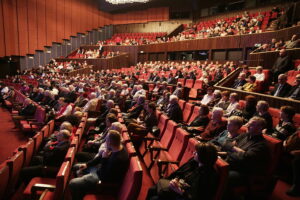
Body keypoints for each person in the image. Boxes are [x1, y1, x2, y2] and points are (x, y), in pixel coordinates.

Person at [68, 130, 129, 200]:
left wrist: (104, 159)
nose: (105, 141)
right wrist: (87, 164)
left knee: (73, 183)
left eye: (106, 139)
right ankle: (82, 188)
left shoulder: (118, 159)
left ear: (109, 142)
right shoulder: (116, 146)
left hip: (101, 177)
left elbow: (104, 176)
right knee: (76, 166)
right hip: (99, 169)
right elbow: (99, 158)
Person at [146, 143, 218, 200]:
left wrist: (180, 191)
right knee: (151, 189)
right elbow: (180, 173)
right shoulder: (194, 162)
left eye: (197, 153)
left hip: (184, 196)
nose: (194, 153)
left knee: (155, 198)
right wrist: (175, 180)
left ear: (203, 157)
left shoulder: (210, 175)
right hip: (178, 187)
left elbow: (199, 197)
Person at [223, 117, 270, 198]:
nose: (247, 126)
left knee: (222, 176)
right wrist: (239, 151)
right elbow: (226, 143)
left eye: (251, 125)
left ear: (260, 128)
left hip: (244, 172)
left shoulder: (262, 144)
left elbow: (246, 158)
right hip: (231, 163)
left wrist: (232, 148)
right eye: (248, 123)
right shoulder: (244, 135)